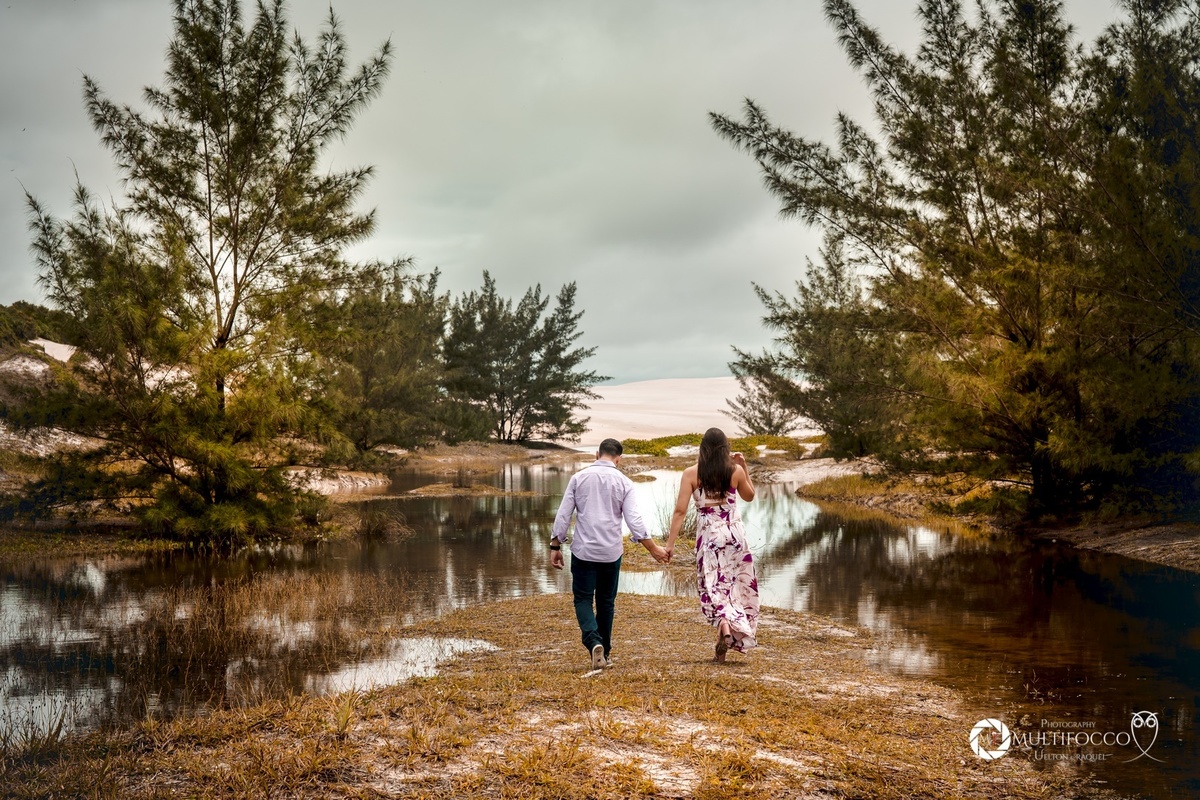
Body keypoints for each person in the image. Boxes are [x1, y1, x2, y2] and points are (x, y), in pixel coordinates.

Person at [550, 437, 669, 669]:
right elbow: (634, 520)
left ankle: (594, 641)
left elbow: (564, 514)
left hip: (584, 551)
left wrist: (556, 545)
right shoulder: (624, 482)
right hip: (610, 553)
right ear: (619, 459)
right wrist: (653, 548)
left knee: (583, 599)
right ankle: (605, 652)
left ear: (597, 454)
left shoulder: (579, 478)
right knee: (606, 602)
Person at [665, 427, 758, 662]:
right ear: (725, 448)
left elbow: (679, 511)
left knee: (714, 586)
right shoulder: (735, 471)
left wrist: (670, 544)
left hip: (709, 537)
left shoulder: (690, 473)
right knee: (734, 585)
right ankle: (724, 638)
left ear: (703, 448)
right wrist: (743, 467)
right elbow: (749, 496)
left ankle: (725, 624)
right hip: (735, 535)